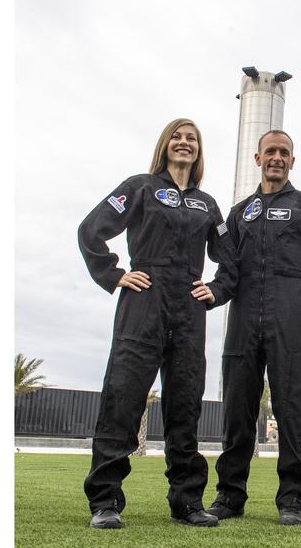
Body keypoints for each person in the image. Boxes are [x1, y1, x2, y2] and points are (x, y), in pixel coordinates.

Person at [78, 118, 233, 529]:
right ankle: (105, 501)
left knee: (185, 406)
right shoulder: (140, 187)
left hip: (188, 309)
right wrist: (114, 275)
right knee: (123, 399)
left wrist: (215, 289)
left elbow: (231, 259)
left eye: (192, 139)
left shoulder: (208, 205)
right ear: (165, 145)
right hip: (143, 302)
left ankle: (186, 502)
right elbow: (90, 231)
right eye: (177, 138)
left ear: (199, 151)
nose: (184, 144)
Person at [202, 130, 301, 525]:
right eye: (270, 151)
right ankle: (229, 496)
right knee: (238, 409)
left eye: (284, 152)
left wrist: (297, 303)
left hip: (289, 319)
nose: (277, 157)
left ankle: (293, 499)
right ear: (257, 158)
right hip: (242, 320)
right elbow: (227, 268)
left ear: (293, 161)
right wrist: (211, 293)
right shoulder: (239, 212)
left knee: (292, 409)